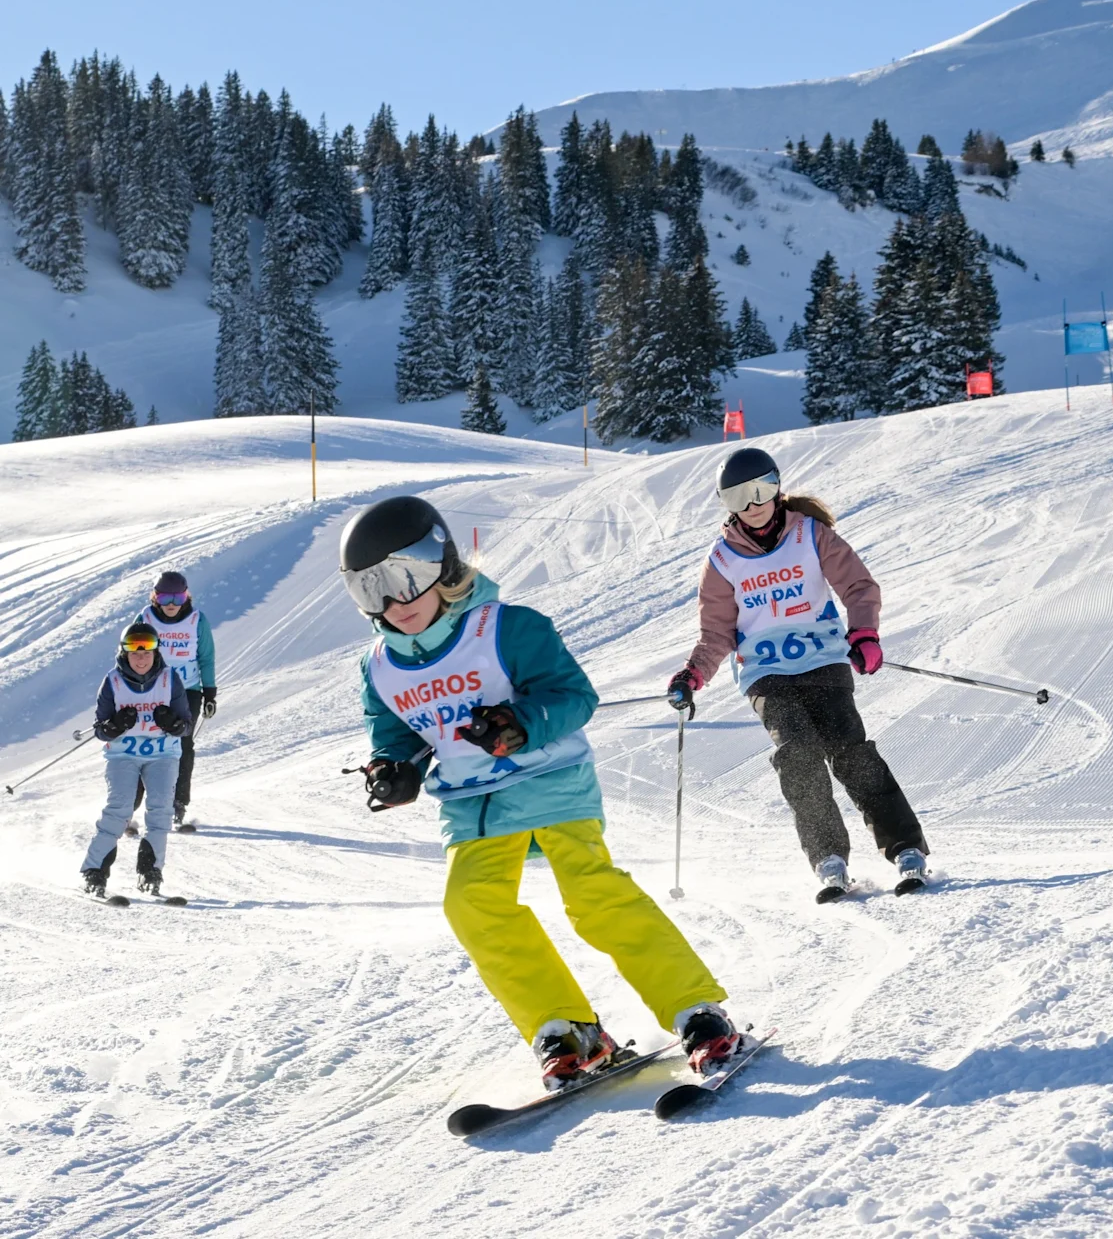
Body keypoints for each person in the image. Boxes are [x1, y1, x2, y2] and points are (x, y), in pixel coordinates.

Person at [341, 495, 738, 1091]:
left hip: (549, 781)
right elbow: (396, 731)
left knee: (592, 894)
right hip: (471, 806)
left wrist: (522, 724)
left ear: (439, 565)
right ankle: (568, 1029)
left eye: (402, 581)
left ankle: (697, 1012)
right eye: (370, 591)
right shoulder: (379, 667)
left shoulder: (507, 627)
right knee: (472, 905)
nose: (392, 605)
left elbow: (575, 697)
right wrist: (393, 768)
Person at [666, 448, 930, 902]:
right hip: (766, 673)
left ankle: (906, 848)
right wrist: (692, 675)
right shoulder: (723, 560)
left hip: (823, 660)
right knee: (798, 753)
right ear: (725, 504)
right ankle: (828, 857)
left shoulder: (810, 534)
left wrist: (864, 633)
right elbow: (716, 632)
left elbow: (858, 586)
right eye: (738, 498)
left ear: (777, 487)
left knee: (850, 751)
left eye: (761, 490)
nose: (753, 506)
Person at [80, 621, 192, 898]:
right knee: (118, 810)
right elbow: (99, 728)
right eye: (134, 652)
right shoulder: (113, 681)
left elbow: (186, 725)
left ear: (156, 652)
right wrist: (114, 726)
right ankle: (94, 873)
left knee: (160, 811)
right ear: (124, 653)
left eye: (146, 652)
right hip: (123, 755)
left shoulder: (169, 678)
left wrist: (173, 724)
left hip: (163, 754)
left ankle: (150, 872)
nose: (141, 658)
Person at [142, 571, 217, 830]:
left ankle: (178, 803)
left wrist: (210, 691)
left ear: (186, 596)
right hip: (151, 690)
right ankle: (137, 806)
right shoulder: (146, 618)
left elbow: (206, 657)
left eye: (178, 597)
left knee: (182, 744)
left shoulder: (197, 620)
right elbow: (128, 650)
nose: (171, 604)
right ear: (155, 597)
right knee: (146, 743)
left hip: (188, 691)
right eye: (164, 597)